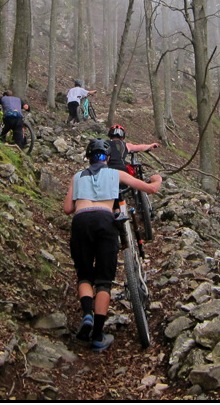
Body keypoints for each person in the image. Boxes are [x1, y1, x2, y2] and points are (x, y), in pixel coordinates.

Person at [63, 139, 162, 351]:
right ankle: (98, 336)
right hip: (104, 221)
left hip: (81, 222)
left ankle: (87, 315)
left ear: (88, 158)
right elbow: (150, 189)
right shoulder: (116, 174)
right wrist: (157, 179)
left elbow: (67, 209)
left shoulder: (77, 176)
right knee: (104, 282)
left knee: (84, 276)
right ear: (107, 158)